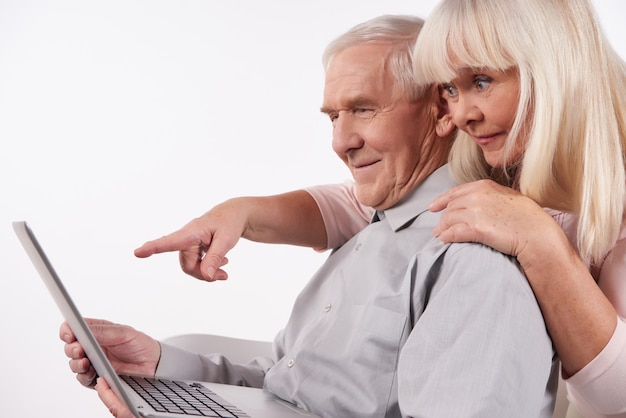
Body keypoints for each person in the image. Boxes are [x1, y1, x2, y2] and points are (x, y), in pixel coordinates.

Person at [133, 1, 626, 417]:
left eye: (480, 81)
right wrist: (238, 212)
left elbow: (618, 394)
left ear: (553, 70)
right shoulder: (479, 167)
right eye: (450, 90)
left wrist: (539, 240)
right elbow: (361, 201)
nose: (460, 113)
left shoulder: (498, 248)